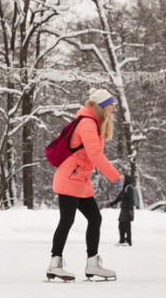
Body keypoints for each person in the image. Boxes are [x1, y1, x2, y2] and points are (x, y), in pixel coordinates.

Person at [47, 88, 124, 281]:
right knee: (67, 220)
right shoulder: (87, 124)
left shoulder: (94, 124)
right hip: (69, 178)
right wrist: (115, 177)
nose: (113, 109)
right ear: (100, 107)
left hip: (79, 179)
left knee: (95, 218)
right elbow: (95, 155)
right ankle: (54, 264)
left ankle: (92, 264)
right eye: (110, 106)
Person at [107, 173, 136, 247]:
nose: (121, 181)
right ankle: (122, 240)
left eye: (122, 179)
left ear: (126, 180)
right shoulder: (123, 188)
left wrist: (130, 209)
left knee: (127, 225)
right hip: (123, 209)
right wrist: (111, 204)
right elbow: (119, 198)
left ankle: (128, 241)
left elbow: (131, 199)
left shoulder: (129, 188)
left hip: (128, 209)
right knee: (121, 225)